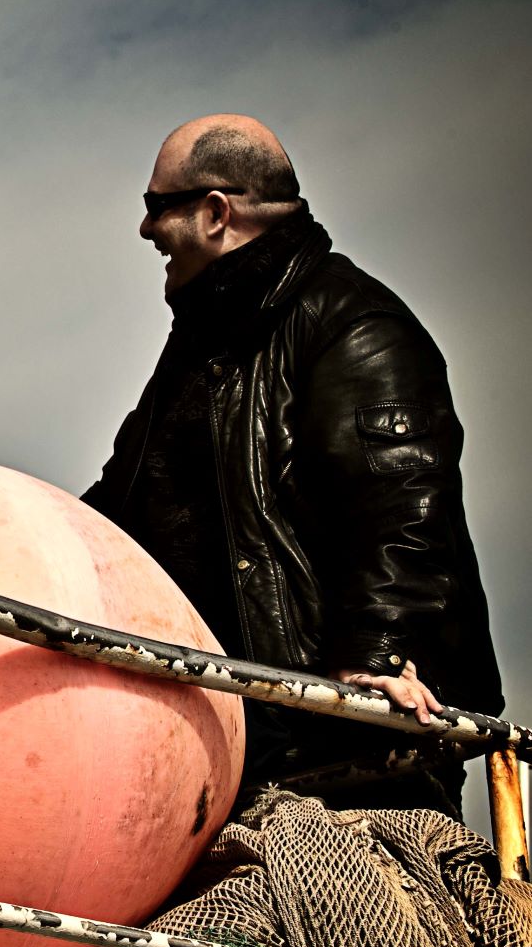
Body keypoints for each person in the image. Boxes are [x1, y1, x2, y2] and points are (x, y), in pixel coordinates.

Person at [81, 114, 501, 814]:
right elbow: (117, 508)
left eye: (156, 207)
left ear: (216, 213)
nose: (146, 232)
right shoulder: (203, 350)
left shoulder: (353, 326)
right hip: (222, 743)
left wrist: (374, 659)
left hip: (333, 752)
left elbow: (404, 511)